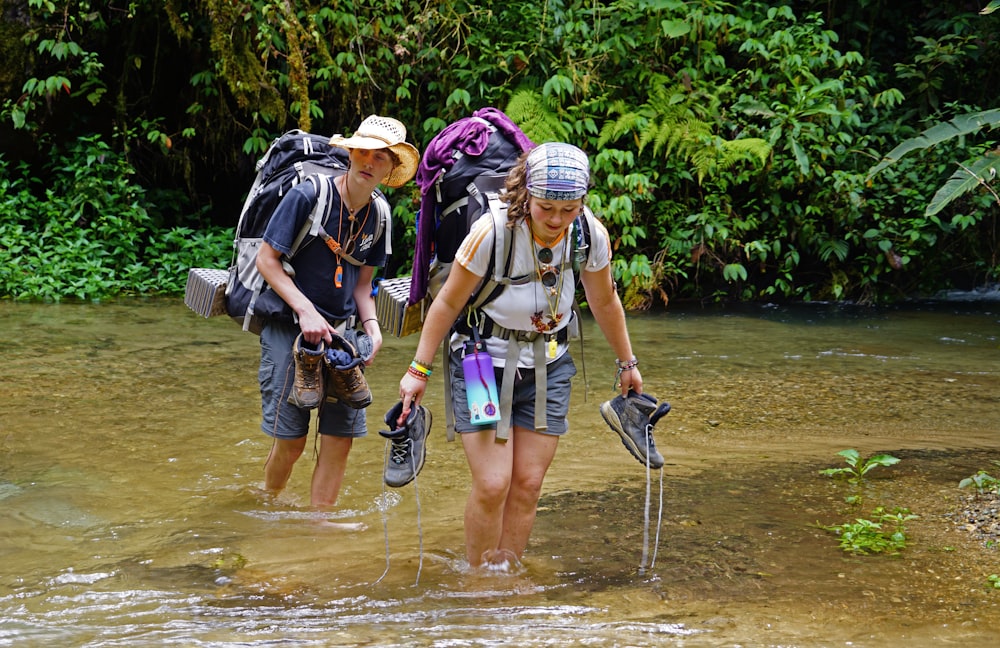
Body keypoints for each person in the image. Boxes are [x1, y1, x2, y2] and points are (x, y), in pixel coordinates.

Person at [397, 142, 643, 568]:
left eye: (568, 210)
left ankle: (506, 574)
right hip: (480, 364)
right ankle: (477, 578)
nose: (556, 221)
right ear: (526, 193)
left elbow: (604, 301)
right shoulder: (492, 232)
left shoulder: (589, 233)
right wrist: (418, 370)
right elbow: (447, 303)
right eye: (546, 208)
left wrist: (628, 363)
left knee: (527, 485)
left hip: (550, 365)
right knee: (493, 484)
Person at [256, 115, 420, 515]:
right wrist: (306, 310)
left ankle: (319, 525)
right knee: (292, 441)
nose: (368, 161)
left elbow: (363, 288)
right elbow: (266, 260)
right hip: (289, 328)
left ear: (390, 168)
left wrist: (373, 328)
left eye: (380, 157)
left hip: (343, 338)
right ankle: (265, 506)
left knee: (338, 441)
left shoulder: (379, 216)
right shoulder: (309, 195)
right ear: (349, 154)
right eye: (362, 151)